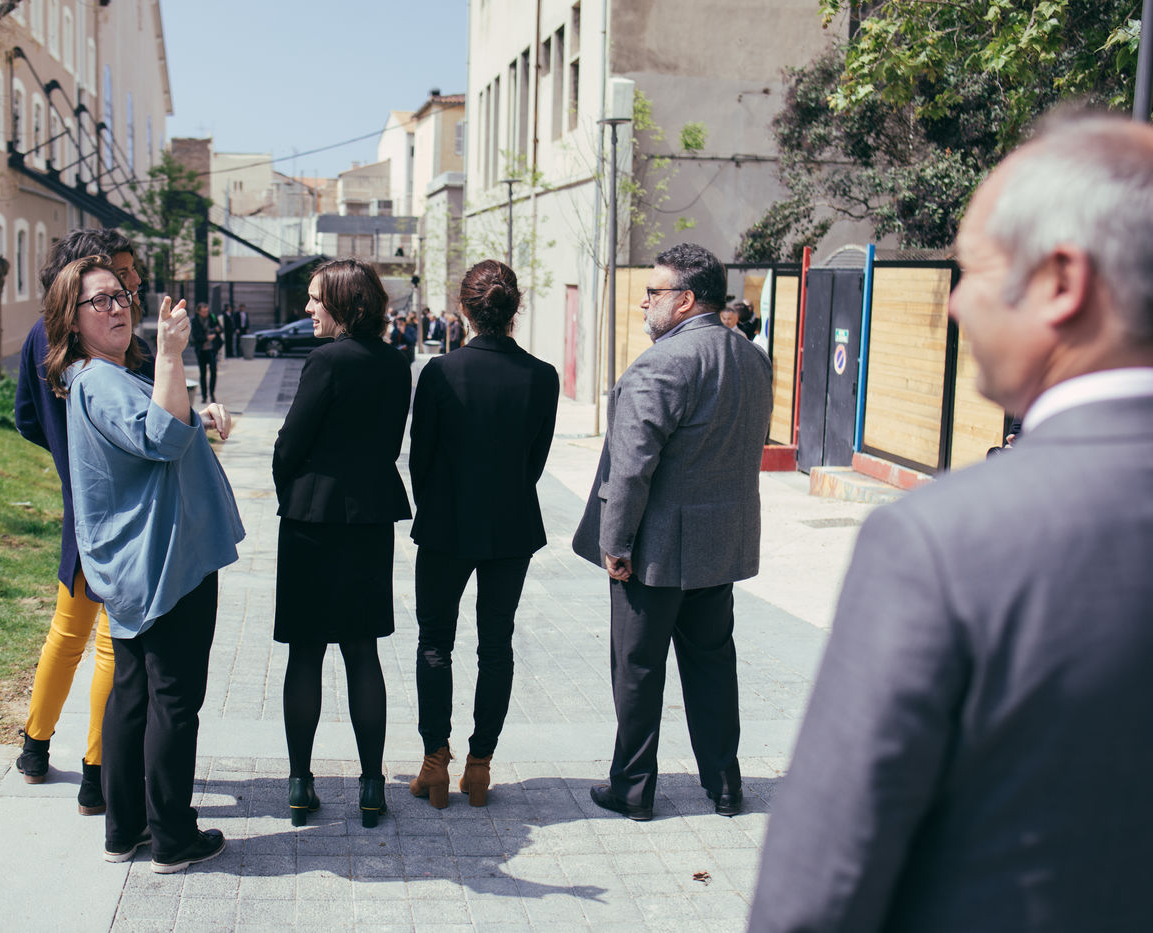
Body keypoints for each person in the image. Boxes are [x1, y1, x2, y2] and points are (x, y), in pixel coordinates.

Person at [748, 114, 1153, 933]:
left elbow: (818, 890)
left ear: (1061, 281)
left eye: (971, 270)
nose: (956, 303)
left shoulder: (946, 542)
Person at [43, 254, 243, 873]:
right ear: (72, 319)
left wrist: (193, 412)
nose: (117, 308)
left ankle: (124, 828)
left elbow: (152, 428)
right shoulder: (99, 379)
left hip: (142, 562)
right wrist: (171, 356)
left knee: (131, 695)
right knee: (173, 701)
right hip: (163, 563)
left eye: (120, 296)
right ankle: (173, 837)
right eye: (99, 300)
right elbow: (160, 438)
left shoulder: (99, 376)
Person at [572, 242, 771, 821]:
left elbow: (631, 468)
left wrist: (615, 543)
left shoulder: (661, 365)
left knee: (637, 670)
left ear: (685, 300)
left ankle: (633, 791)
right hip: (721, 543)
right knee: (713, 666)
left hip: (654, 552)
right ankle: (725, 784)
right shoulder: (751, 358)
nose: (643, 301)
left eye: (653, 291)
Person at [13, 228, 156, 814]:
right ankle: (97, 775)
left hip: (80, 506)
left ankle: (34, 748)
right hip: (124, 508)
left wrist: (65, 454)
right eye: (120, 275)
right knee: (109, 646)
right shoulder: (113, 347)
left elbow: (26, 418)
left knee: (67, 634)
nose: (129, 286)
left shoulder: (39, 335)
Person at [407, 260, 558, 808]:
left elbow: (420, 459)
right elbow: (535, 461)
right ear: (515, 308)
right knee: (496, 645)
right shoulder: (543, 376)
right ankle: (479, 766)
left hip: (446, 523)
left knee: (434, 642)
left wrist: (437, 505)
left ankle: (434, 762)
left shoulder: (439, 373)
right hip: (511, 524)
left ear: (463, 310)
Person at [272, 258, 412, 829]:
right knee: (362, 650)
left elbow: (290, 443)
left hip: (312, 519)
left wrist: (290, 488)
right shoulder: (397, 362)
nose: (307, 308)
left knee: (305, 652)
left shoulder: (326, 361)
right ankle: (372, 785)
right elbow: (389, 441)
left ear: (344, 304)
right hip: (371, 518)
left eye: (315, 299)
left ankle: (300, 783)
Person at [190, 302, 220, 403]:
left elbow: (220, 328)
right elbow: (195, 336)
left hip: (212, 349)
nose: (205, 314)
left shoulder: (212, 317)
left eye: (206, 311)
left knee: (213, 371)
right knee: (203, 373)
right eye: (203, 312)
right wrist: (206, 338)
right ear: (198, 312)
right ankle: (204, 395)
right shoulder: (195, 321)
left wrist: (217, 330)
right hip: (201, 350)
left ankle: (212, 393)